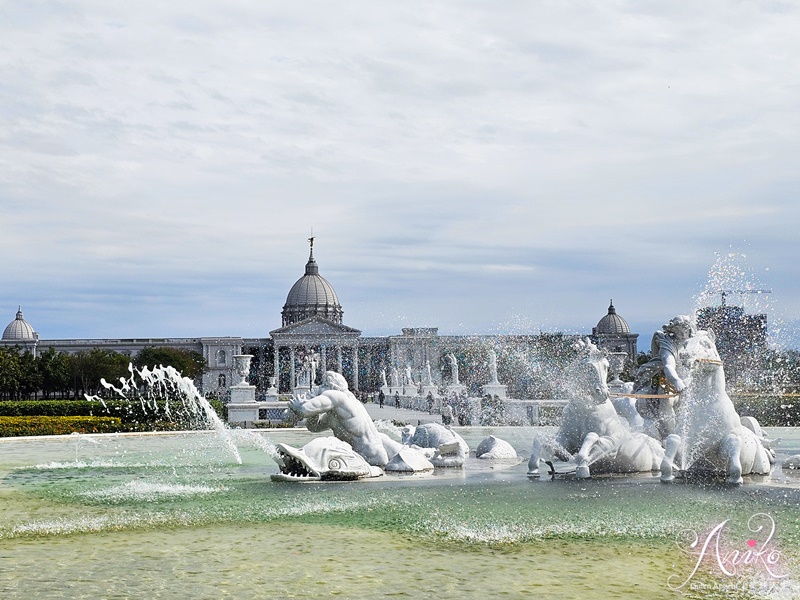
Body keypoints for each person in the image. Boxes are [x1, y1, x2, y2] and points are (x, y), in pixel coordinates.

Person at [288, 371, 401, 466]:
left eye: (322, 385)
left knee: (322, 444)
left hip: (366, 459)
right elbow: (314, 427)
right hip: (372, 456)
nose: (319, 388)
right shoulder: (337, 413)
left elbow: (303, 410)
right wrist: (314, 411)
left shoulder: (337, 396)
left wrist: (299, 404)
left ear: (331, 386)